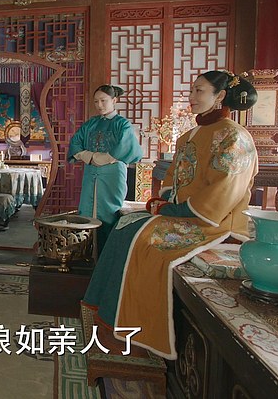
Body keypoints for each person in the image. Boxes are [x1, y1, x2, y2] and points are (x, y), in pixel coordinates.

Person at [82, 70, 258, 360]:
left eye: (199, 91)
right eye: (192, 90)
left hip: (214, 220)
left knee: (146, 242)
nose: (191, 96)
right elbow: (172, 178)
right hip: (180, 211)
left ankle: (136, 330)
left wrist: (177, 209)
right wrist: (164, 201)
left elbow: (225, 189)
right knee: (124, 224)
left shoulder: (234, 137)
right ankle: (109, 318)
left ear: (220, 96)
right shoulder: (190, 135)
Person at [67, 85, 143, 252]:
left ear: (114, 100)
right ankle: (86, 252)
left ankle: (107, 254)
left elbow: (127, 146)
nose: (99, 105)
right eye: (96, 101)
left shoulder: (122, 124)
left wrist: (106, 158)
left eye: (103, 100)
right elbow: (76, 142)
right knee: (87, 210)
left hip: (113, 174)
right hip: (91, 172)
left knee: (109, 211)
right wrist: (88, 156)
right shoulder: (91, 124)